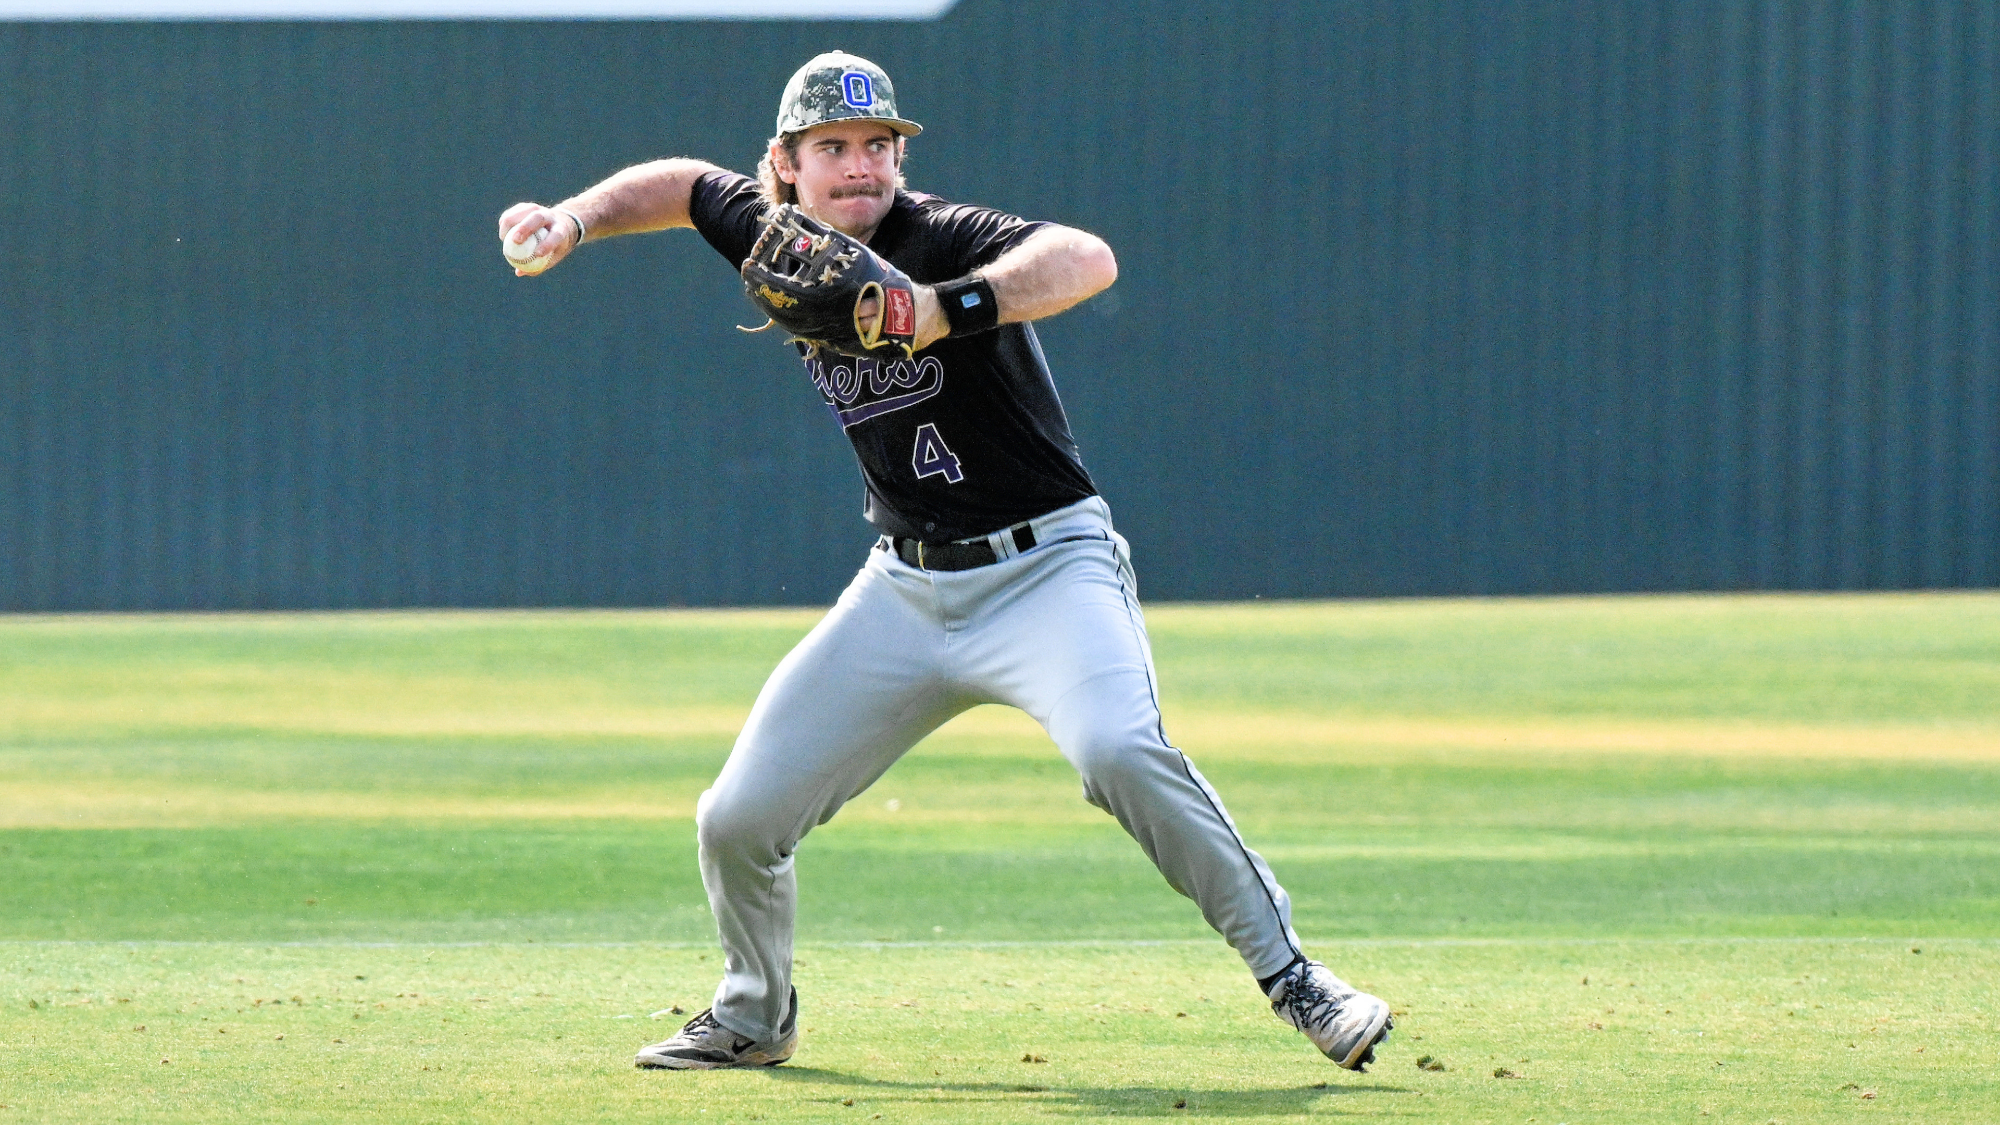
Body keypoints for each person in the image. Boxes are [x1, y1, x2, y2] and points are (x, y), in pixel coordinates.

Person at [496, 50, 1393, 1074]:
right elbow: (679, 185)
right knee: (737, 817)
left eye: (877, 145)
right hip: (908, 586)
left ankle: (1296, 979)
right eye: (832, 148)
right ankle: (753, 1014)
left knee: (1116, 750)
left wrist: (944, 306)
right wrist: (567, 220)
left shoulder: (937, 235)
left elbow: (1086, 259)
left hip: (1046, 565)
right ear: (786, 164)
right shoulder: (771, 228)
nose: (861, 167)